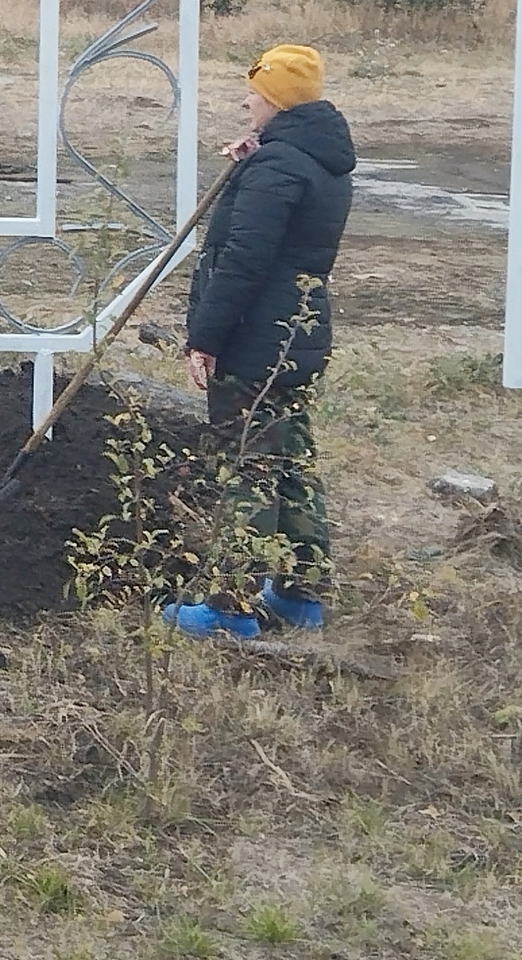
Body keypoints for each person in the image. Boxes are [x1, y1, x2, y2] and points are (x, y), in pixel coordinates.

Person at [163, 43, 353, 640]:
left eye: (255, 91)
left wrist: (205, 337)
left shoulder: (278, 168)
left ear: (276, 99)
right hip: (299, 332)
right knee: (292, 458)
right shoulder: (315, 159)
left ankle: (229, 608)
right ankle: (301, 597)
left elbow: (243, 260)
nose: (246, 99)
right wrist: (254, 161)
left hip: (256, 339)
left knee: (246, 465)